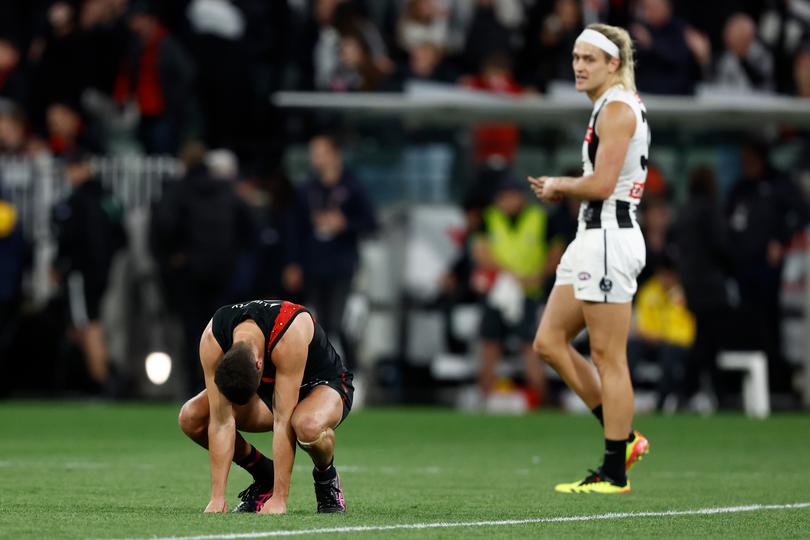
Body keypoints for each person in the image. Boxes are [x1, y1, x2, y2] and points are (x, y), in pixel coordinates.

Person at [528, 23, 651, 494]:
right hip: (591, 236)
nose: (579, 67)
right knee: (548, 342)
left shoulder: (617, 108)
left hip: (608, 238)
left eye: (589, 59)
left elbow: (602, 185)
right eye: (576, 58)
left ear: (613, 64)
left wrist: (560, 184)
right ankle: (625, 437)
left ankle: (614, 469)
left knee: (608, 357)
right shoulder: (608, 106)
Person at [177, 299, 354, 515]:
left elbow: (283, 421)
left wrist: (279, 499)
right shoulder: (213, 340)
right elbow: (221, 421)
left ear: (260, 364)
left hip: (322, 385)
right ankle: (263, 474)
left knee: (305, 426)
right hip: (269, 391)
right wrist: (217, 498)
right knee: (192, 417)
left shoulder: (288, 332)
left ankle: (326, 477)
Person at [51, 150, 127, 391]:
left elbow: (69, 238)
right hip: (107, 271)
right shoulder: (107, 197)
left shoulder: (76, 200)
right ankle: (102, 375)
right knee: (92, 322)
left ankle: (104, 381)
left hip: (82, 272)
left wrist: (60, 264)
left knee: (88, 323)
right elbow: (121, 235)